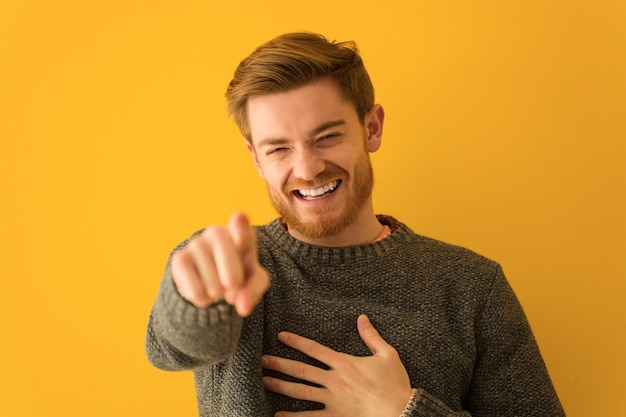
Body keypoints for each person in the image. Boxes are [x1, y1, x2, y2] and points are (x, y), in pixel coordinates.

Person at [145, 32, 565, 417]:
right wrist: (194, 300)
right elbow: (171, 348)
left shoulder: (472, 286)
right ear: (256, 158)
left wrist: (403, 409)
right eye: (278, 149)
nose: (307, 169)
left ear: (372, 128)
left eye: (327, 137)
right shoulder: (227, 264)